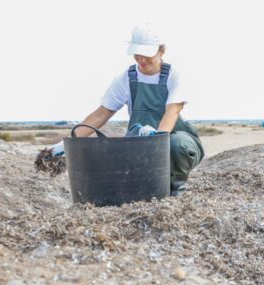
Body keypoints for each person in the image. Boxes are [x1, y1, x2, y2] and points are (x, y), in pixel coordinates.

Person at [45, 24, 204, 196]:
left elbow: (172, 111)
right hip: (139, 140)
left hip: (173, 138)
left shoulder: (174, 75)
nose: (141, 60)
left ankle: (175, 190)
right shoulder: (127, 78)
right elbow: (101, 113)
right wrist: (66, 142)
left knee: (176, 145)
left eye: (147, 54)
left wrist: (157, 138)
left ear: (161, 51)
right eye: (137, 54)